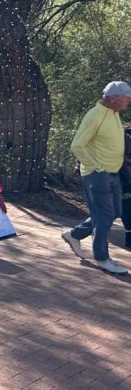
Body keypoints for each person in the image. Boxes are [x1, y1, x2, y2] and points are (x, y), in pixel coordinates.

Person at [61, 81, 131, 274]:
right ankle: (102, 258)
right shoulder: (95, 115)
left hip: (113, 173)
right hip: (97, 174)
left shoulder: (114, 114)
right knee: (105, 216)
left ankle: (74, 234)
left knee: (114, 212)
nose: (129, 101)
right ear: (113, 98)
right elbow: (77, 145)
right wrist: (95, 167)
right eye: (126, 97)